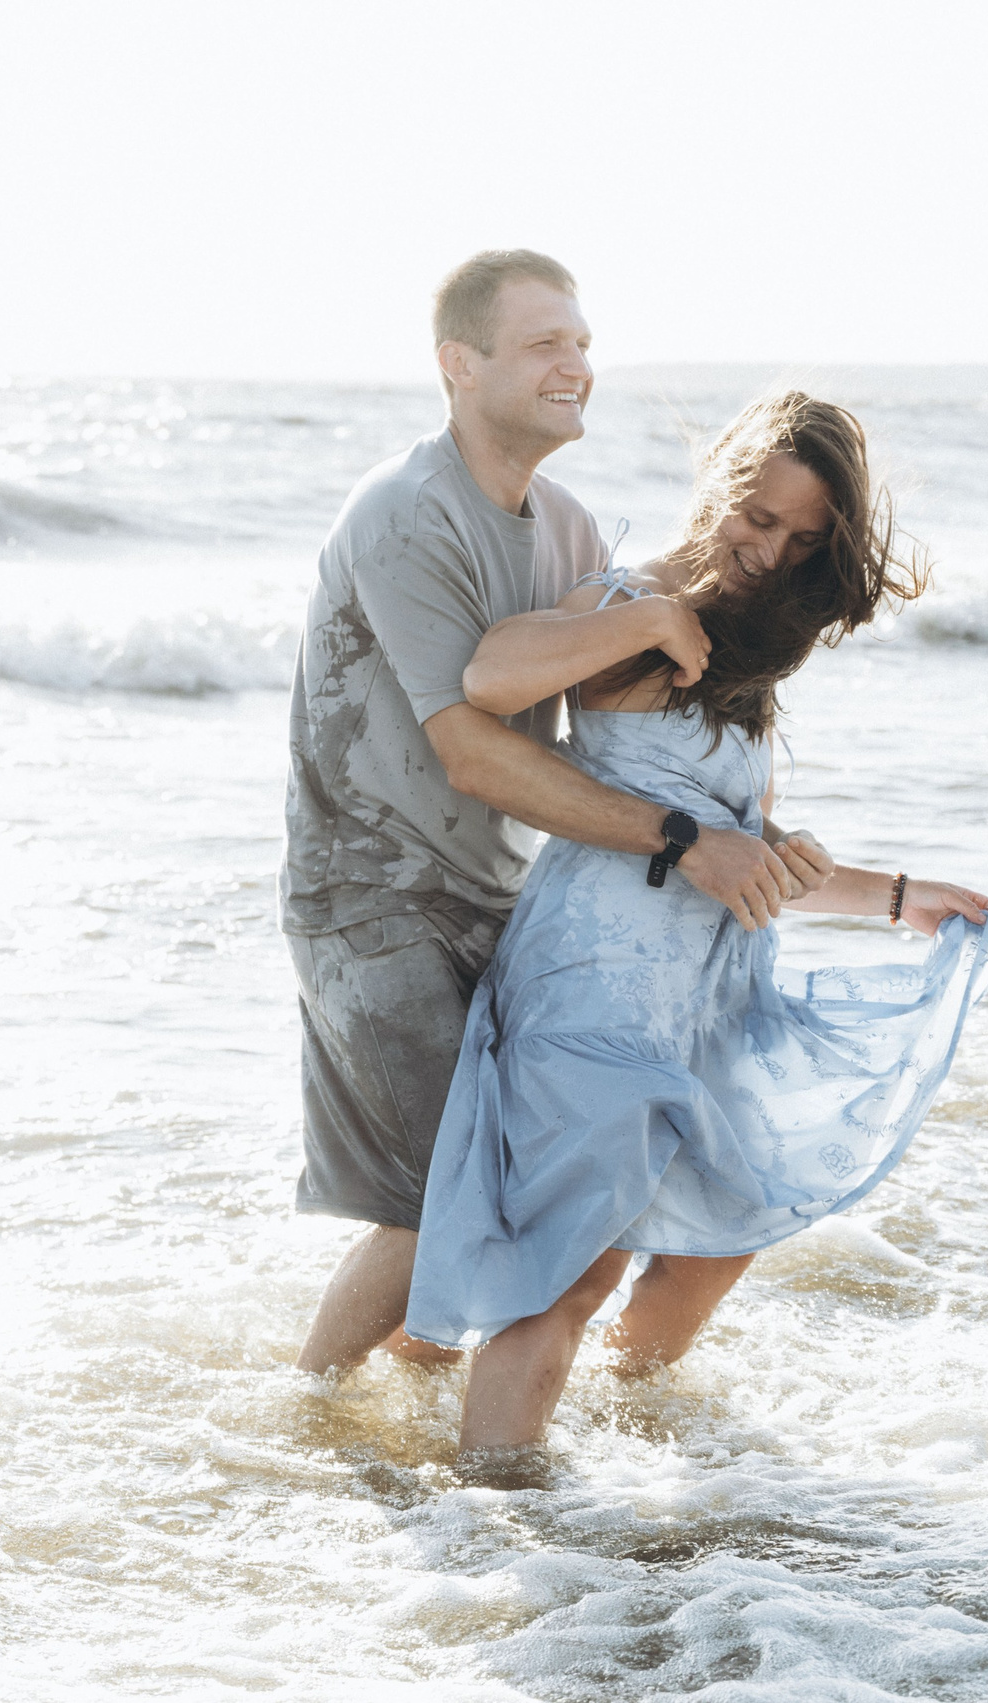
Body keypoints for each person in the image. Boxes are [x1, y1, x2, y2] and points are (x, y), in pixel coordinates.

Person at [401, 390, 988, 1460]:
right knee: (569, 1267)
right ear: (722, 476)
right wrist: (640, 618)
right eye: (757, 517)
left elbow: (741, 854)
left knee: (719, 1237)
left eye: (803, 538)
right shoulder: (627, 600)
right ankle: (492, 1520)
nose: (769, 552)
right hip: (593, 983)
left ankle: (619, 1444)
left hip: (709, 1001)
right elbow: (487, 678)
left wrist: (891, 893)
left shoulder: (748, 648)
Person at [283, 251, 836, 1377]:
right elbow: (470, 745)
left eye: (582, 342)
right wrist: (683, 842)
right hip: (368, 892)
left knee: (499, 1188)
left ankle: (418, 1411)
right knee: (434, 1186)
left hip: (503, 893)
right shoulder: (404, 510)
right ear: (458, 363)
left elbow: (619, 726)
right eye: (544, 343)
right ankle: (309, 1408)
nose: (574, 364)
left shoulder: (571, 531)